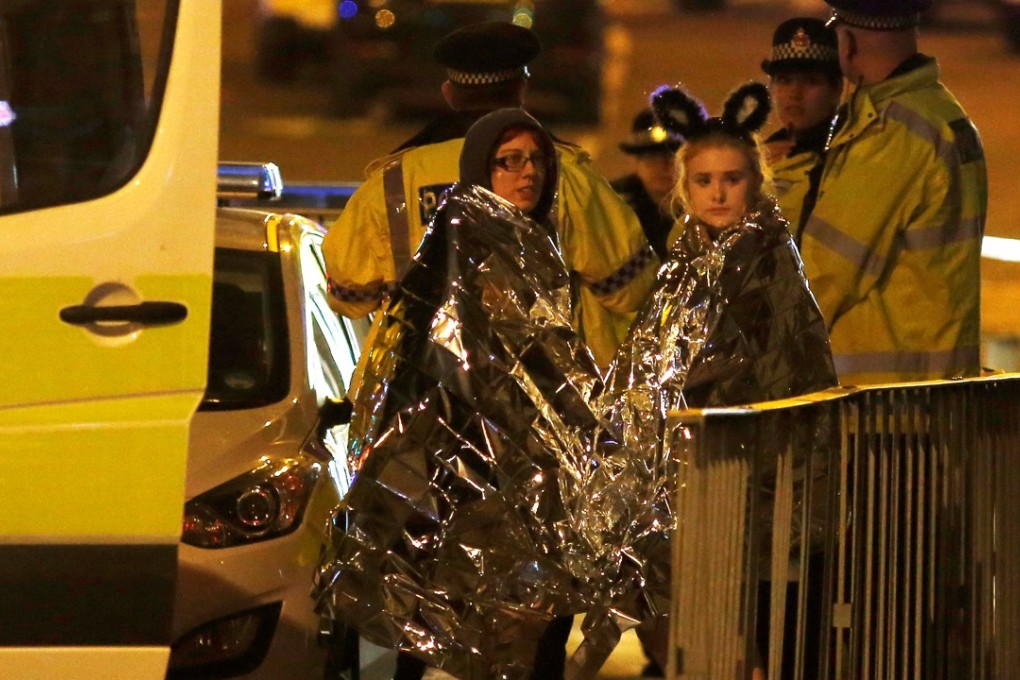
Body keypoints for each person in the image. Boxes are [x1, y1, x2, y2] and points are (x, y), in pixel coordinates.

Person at [315, 109, 604, 680]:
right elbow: (426, 352)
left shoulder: (542, 242)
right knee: (415, 615)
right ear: (479, 169)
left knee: (539, 611)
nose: (529, 174)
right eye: (509, 162)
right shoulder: (453, 242)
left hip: (527, 461)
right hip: (447, 456)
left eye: (537, 160)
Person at [564, 81, 838, 678]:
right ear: (684, 187)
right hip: (696, 481)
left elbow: (767, 366)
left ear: (756, 182)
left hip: (762, 481)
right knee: (705, 635)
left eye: (732, 179)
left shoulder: (766, 259)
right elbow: (652, 361)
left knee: (764, 633)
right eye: (704, 180)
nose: (718, 193)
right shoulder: (684, 261)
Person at [322, 21, 658, 370]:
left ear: (449, 93)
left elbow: (349, 296)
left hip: (421, 389)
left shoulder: (392, 182)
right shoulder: (563, 173)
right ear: (522, 89)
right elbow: (631, 289)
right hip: (546, 390)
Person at [799, 0, 987, 385]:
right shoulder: (940, 112)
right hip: (930, 389)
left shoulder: (892, 133)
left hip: (886, 404)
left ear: (847, 44)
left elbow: (824, 274)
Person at [760, 17, 842, 235]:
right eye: (785, 80)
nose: (794, 94)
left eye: (810, 81)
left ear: (836, 89)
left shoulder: (846, 158)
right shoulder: (762, 154)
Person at [611, 109, 684, 260]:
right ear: (635, 162)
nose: (664, 166)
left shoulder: (703, 206)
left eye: (672, 157)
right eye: (651, 157)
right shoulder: (615, 205)